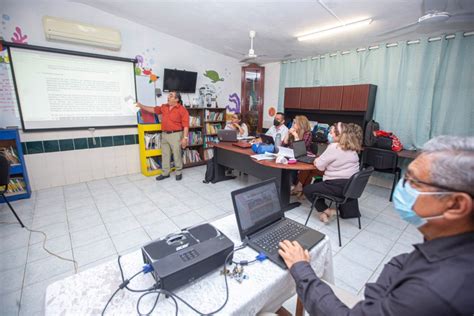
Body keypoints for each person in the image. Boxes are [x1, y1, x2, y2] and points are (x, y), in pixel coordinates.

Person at [279, 135, 474, 316]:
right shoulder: (449, 248)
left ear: (457, 205)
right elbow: (403, 263)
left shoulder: (433, 291)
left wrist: (301, 268)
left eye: (414, 182)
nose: (403, 188)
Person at [302, 122, 362, 221]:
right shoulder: (352, 147)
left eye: (331, 132)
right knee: (318, 183)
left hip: (337, 186)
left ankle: (327, 210)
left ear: (339, 135)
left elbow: (320, 167)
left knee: (308, 189)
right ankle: (323, 214)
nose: (329, 134)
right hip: (350, 186)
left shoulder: (334, 147)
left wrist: (317, 160)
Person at [136, 91, 189, 181]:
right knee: (165, 154)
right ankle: (165, 173)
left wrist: (185, 138)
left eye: (171, 96)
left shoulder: (182, 110)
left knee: (176, 154)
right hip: (164, 134)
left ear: (177, 99)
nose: (168, 97)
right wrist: (141, 106)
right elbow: (153, 110)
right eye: (168, 95)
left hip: (175, 134)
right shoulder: (164, 107)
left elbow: (186, 125)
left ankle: (178, 172)